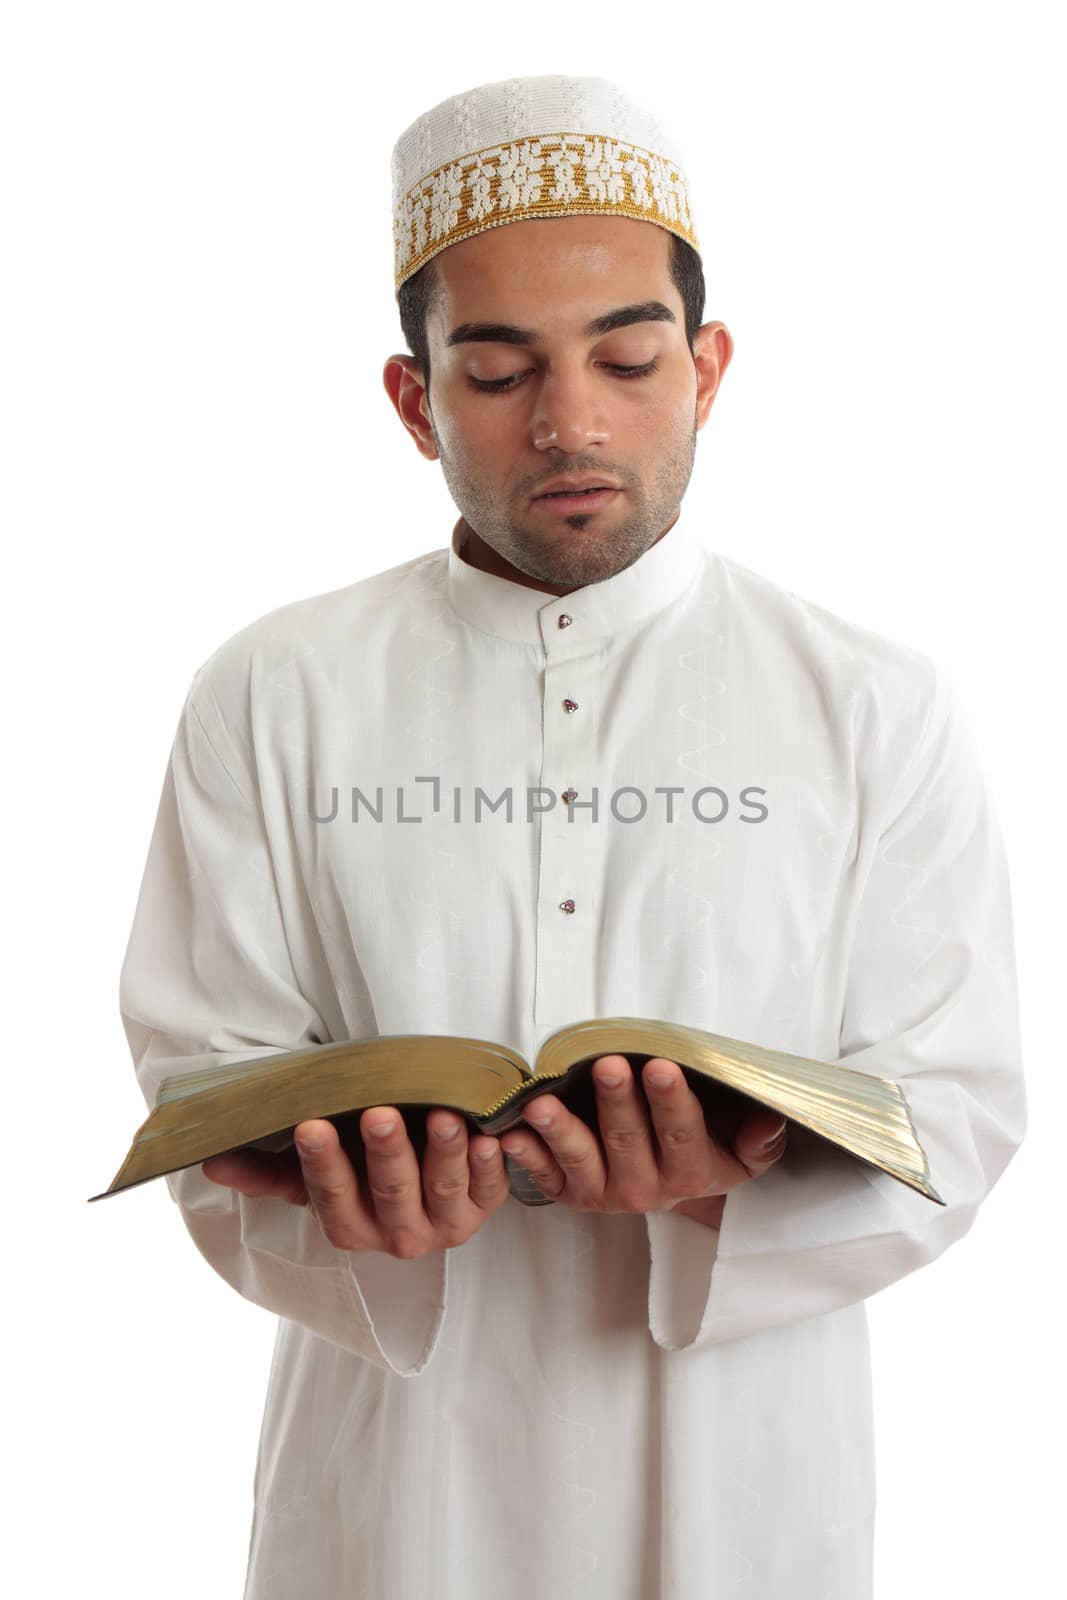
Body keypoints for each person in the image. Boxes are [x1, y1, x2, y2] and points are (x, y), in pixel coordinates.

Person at [117, 73, 1026, 1600]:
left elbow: (961, 1109)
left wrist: (718, 1184)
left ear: (709, 368)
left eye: (626, 355)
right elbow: (203, 1093)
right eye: (497, 372)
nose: (570, 422)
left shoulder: (874, 702)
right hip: (392, 1494)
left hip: (746, 1492)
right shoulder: (271, 691)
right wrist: (359, 1207)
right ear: (413, 401)